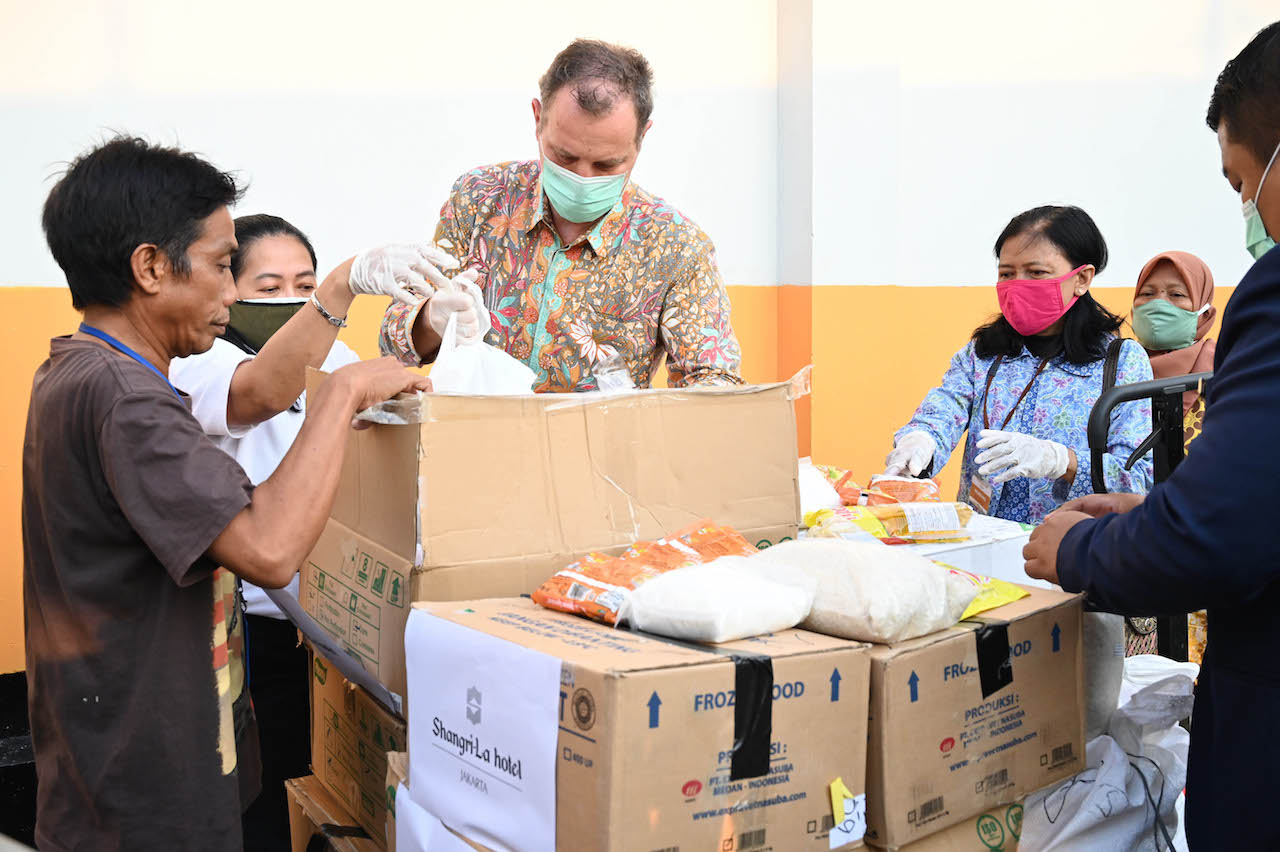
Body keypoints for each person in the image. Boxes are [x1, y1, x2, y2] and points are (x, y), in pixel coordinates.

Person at [23, 135, 431, 851]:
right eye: (220, 266)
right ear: (151, 267)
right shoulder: (128, 401)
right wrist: (338, 397)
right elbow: (268, 549)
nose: (231, 293)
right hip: (146, 794)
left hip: (131, 761)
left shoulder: (86, 369)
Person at [1024, 21, 1280, 849]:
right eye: (1007, 272)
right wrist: (1157, 512)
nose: (1246, 207)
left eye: (1243, 180)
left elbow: (1219, 535)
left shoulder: (1128, 352)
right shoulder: (985, 353)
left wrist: (1080, 549)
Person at [169, 214, 432, 850]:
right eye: (269, 286)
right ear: (229, 290)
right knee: (266, 792)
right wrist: (339, 291)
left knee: (335, 794)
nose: (290, 299)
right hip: (257, 623)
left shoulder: (335, 356)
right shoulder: (202, 363)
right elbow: (260, 393)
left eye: (304, 284)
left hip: (338, 622)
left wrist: (437, 348)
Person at [378, 38, 744, 391]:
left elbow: (714, 382)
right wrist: (431, 319)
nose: (582, 178)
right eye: (564, 157)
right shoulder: (479, 198)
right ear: (538, 118)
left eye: (607, 165)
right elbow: (393, 342)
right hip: (474, 430)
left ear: (641, 138)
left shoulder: (676, 246)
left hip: (600, 436)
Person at [884, 205, 1154, 523]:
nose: (1018, 284)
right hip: (983, 539)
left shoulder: (1121, 362)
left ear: (1082, 278)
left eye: (1036, 272)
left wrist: (1061, 461)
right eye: (1006, 274)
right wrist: (920, 442)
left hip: (1073, 543)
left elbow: (1137, 479)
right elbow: (943, 411)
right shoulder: (981, 354)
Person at [1129, 250, 1218, 658]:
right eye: (1147, 294)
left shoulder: (1227, 378)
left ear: (1203, 314)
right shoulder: (1113, 376)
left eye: (1176, 295)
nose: (1158, 304)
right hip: (1134, 565)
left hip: (1205, 567)